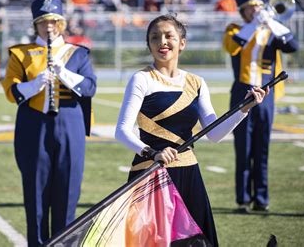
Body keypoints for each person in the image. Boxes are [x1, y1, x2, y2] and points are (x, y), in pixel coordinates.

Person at [115, 14, 268, 247]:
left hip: (189, 174)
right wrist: (152, 152)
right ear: (149, 45)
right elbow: (122, 131)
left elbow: (214, 134)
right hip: (152, 173)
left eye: (169, 36)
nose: (162, 42)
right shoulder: (142, 79)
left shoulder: (196, 82)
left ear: (182, 43)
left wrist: (243, 110)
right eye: (155, 37)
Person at [1, 0, 96, 246]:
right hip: (34, 126)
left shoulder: (78, 54)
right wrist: (34, 85)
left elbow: (90, 87)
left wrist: (65, 74)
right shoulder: (21, 54)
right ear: (36, 24)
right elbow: (11, 90)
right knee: (36, 191)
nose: (49, 26)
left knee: (67, 191)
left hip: (71, 125)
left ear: (62, 23)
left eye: (54, 20)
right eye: (43, 21)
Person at [223, 0, 299, 213]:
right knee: (242, 148)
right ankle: (243, 199)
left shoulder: (270, 31)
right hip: (241, 93)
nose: (255, 11)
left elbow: (293, 46)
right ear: (242, 10)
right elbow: (233, 46)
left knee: (262, 148)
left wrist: (272, 22)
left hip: (266, 95)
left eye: (258, 7)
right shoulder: (235, 29)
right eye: (250, 8)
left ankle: (262, 199)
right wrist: (255, 24)